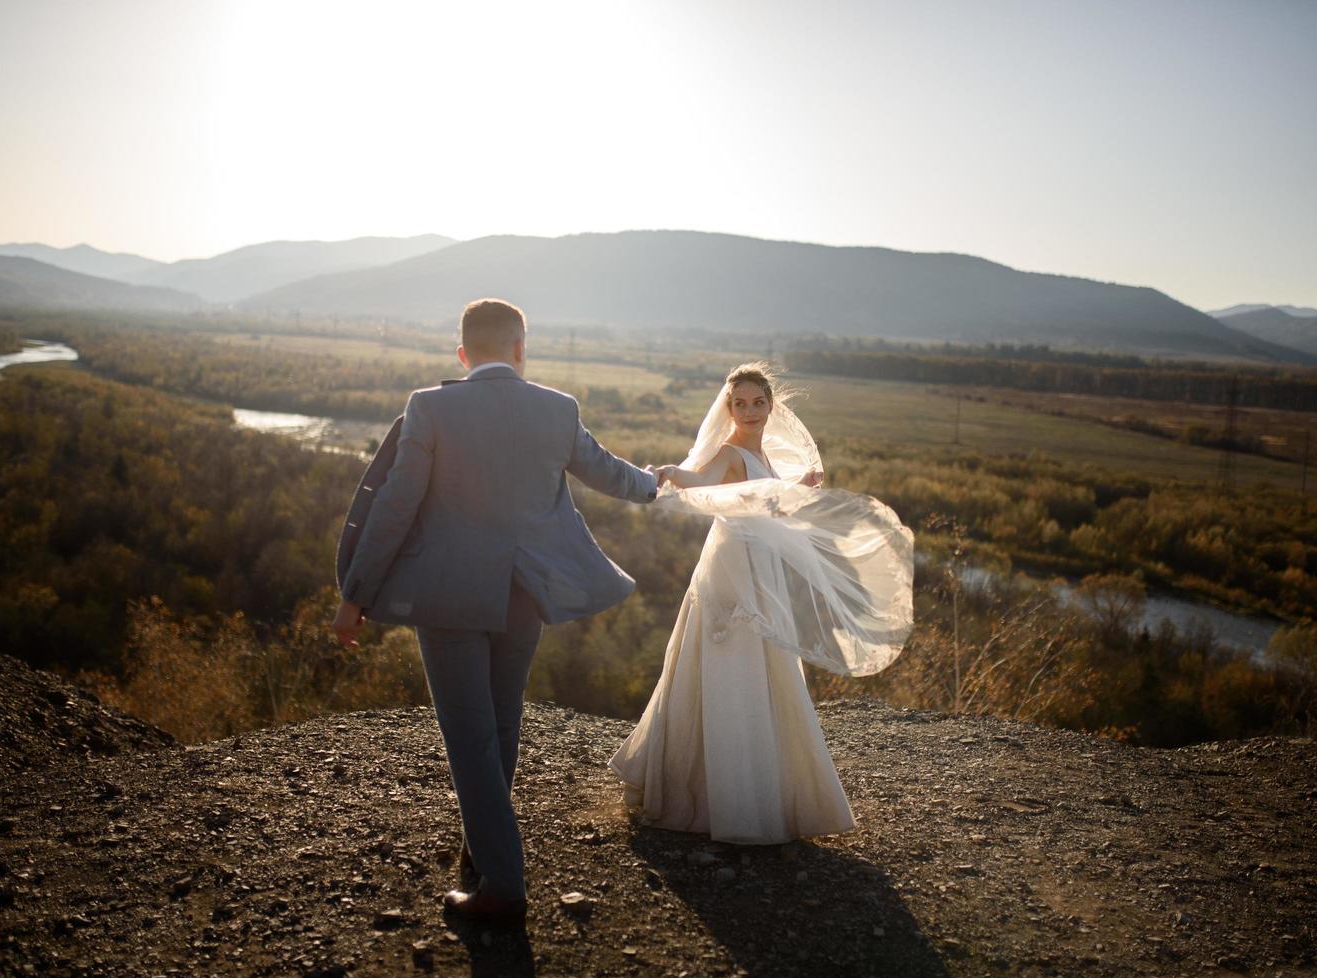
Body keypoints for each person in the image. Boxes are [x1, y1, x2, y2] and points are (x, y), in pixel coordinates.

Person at [333, 298, 658, 927]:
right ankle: (486, 844)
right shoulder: (558, 408)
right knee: (501, 722)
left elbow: (395, 506)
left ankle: (503, 883)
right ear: (520, 349)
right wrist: (658, 482)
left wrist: (355, 593)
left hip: (449, 596)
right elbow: (612, 475)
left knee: (467, 732)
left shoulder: (430, 405)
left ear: (462, 354)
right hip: (526, 592)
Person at [611, 362, 916, 844]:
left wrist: (797, 491)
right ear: (728, 408)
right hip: (733, 567)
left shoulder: (764, 456)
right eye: (740, 403)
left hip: (761, 567)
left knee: (766, 661)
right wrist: (672, 473)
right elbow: (701, 477)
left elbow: (762, 502)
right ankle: (729, 801)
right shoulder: (731, 452)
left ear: (771, 407)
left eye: (758, 403)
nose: (749, 411)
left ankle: (761, 793)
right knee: (732, 661)